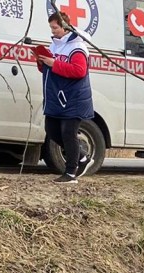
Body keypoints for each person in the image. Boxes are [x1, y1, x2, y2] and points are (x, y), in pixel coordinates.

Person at [37, 11, 93, 184]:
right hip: (57, 98)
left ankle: (70, 174)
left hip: (73, 98)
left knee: (68, 134)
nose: (53, 31)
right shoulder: (54, 46)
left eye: (55, 27)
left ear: (65, 27)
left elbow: (79, 71)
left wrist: (54, 63)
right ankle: (82, 158)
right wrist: (42, 63)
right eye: (51, 27)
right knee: (52, 130)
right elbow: (52, 71)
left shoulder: (77, 48)